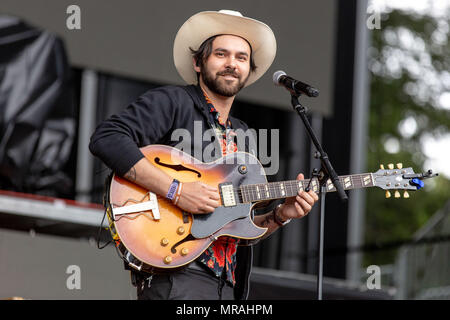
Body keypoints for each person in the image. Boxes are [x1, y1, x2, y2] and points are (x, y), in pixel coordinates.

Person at [89, 9, 319, 300]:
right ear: (198, 62)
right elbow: (107, 138)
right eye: (221, 54)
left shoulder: (244, 135)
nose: (231, 64)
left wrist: (280, 216)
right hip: (177, 277)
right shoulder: (173, 102)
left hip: (226, 287)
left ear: (248, 71)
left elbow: (238, 228)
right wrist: (177, 190)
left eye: (241, 57)